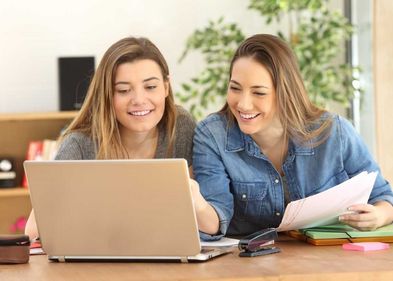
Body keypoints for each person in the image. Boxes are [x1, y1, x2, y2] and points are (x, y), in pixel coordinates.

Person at [191, 34, 393, 240]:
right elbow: (215, 220)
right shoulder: (212, 135)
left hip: (327, 260)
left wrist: (378, 216)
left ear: (285, 92)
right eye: (235, 88)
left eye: (259, 93)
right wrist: (195, 200)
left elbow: (385, 198)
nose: (243, 104)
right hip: (245, 264)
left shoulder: (334, 132)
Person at [25, 37, 196, 240]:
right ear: (107, 95)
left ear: (166, 88)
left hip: (167, 252)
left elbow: (196, 210)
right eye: (123, 90)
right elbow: (33, 232)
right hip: (96, 261)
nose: (139, 100)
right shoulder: (80, 144)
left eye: (150, 87)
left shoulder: (181, 125)